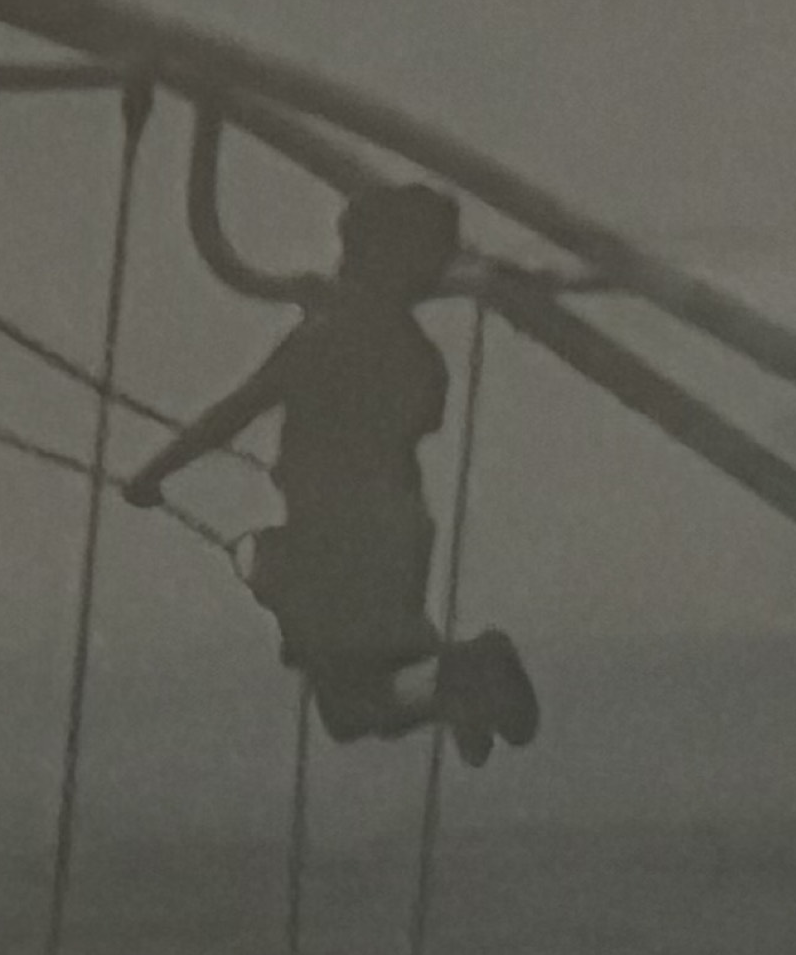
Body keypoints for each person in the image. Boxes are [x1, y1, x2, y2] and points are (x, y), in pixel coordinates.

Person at [127, 155, 534, 758]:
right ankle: (456, 688)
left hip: (336, 536)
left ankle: (464, 674)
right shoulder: (414, 351)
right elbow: (424, 416)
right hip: (397, 526)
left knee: (349, 706)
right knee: (372, 687)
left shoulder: (324, 337)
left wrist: (152, 474)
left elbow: (235, 411)